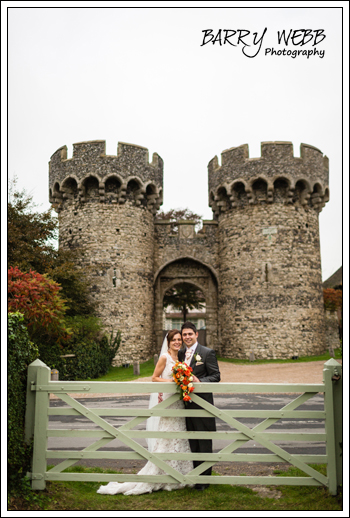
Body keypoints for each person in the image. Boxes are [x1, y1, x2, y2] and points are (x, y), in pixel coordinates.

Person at [97, 329, 194, 496]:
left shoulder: (181, 358)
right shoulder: (164, 357)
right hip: (168, 403)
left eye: (179, 339)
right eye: (174, 340)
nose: (178, 342)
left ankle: (177, 476)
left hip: (178, 403)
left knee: (179, 437)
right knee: (166, 438)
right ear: (168, 342)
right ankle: (160, 474)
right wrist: (172, 381)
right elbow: (155, 378)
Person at [178, 321, 221, 491]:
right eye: (184, 335)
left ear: (196, 334)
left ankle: (204, 481)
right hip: (185, 405)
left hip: (202, 404)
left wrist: (199, 381)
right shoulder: (180, 354)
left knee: (204, 442)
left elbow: (216, 376)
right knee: (192, 442)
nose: (187, 337)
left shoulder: (207, 353)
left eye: (190, 334)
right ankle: (196, 477)